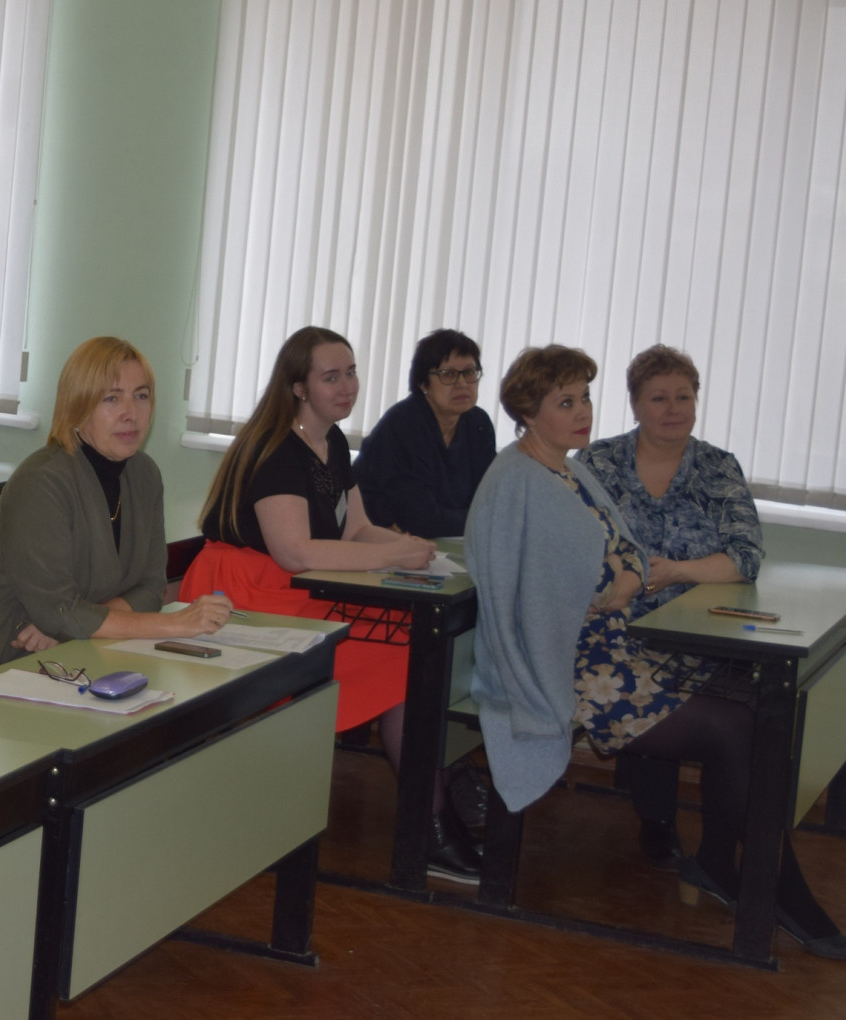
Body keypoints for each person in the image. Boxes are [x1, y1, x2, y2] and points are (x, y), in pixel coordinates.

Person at [467, 346, 843, 958]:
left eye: (585, 398)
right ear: (528, 413)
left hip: (611, 645)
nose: (583, 412)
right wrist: (615, 583)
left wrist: (625, 576)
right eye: (566, 402)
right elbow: (527, 590)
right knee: (733, 728)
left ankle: (727, 865)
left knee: (749, 709)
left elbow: (627, 554)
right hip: (565, 664)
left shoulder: (567, 470)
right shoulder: (517, 480)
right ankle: (769, 885)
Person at [178, 327, 470, 879]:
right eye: (331, 377)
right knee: (406, 654)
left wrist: (408, 548)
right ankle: (428, 820)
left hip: (295, 585)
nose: (347, 386)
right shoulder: (276, 450)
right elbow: (294, 552)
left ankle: (438, 795)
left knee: (417, 641)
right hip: (245, 593)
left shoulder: (330, 441)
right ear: (298, 387)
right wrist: (390, 556)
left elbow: (356, 528)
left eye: (351, 372)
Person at [0, 337, 232, 692]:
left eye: (141, 396)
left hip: (65, 660)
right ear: (77, 405)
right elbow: (60, 612)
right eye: (111, 398)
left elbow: (150, 586)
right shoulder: (43, 479)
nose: (131, 412)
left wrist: (80, 623)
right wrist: (177, 624)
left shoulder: (144, 474)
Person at [581, 345, 765, 868]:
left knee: (753, 710)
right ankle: (659, 824)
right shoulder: (596, 464)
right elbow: (573, 550)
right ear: (635, 404)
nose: (673, 408)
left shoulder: (717, 467)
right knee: (664, 687)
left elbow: (745, 556)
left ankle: (725, 848)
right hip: (614, 630)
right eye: (658, 397)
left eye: (683, 397)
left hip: (702, 632)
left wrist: (679, 571)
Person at [354, 328, 497, 537]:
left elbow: (491, 502)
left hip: (440, 541)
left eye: (469, 372)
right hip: (373, 537)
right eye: (448, 374)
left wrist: (483, 518)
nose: (462, 384)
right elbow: (421, 520)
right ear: (423, 383)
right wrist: (481, 519)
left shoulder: (478, 424)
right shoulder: (404, 425)